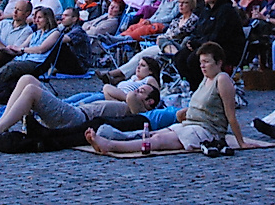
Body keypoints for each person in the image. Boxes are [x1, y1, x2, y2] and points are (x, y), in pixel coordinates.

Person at [85, 42, 247, 155]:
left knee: (158, 140)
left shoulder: (222, 79)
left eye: (206, 62)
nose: (202, 66)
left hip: (206, 131)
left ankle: (111, 145)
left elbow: (230, 115)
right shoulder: (206, 79)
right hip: (191, 124)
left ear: (218, 63)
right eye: (201, 62)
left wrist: (241, 143)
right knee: (152, 133)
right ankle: (112, 136)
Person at [0, 74, 159, 144]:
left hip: (76, 119)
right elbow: (107, 88)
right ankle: (2, 124)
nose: (136, 90)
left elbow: (130, 97)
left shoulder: (138, 111)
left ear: (150, 102)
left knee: (32, 90)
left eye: (141, 91)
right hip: (73, 110)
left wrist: (140, 88)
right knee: (27, 79)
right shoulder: (125, 104)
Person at [100, 0, 198, 85]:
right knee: (140, 56)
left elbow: (178, 35)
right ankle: (117, 77)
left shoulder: (193, 19)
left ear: (191, 5)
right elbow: (168, 34)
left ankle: (113, 74)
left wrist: (161, 37)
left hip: (174, 47)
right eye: (179, 3)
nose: (180, 5)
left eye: (184, 3)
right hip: (163, 44)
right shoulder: (177, 20)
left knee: (145, 57)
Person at [0, 7, 62, 100]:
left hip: (36, 62)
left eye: (39, 18)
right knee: (1, 61)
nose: (36, 20)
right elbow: (19, 50)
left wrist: (22, 49)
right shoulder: (35, 34)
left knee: (11, 67)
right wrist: (4, 49)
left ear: (47, 19)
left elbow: (41, 49)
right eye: (35, 18)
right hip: (23, 59)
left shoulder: (54, 33)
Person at [174, 0, 243, 88]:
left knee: (193, 59)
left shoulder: (226, 11)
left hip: (223, 48)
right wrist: (192, 41)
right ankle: (193, 87)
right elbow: (198, 30)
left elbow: (219, 36)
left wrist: (197, 43)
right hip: (204, 44)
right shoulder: (206, 10)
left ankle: (203, 88)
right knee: (180, 57)